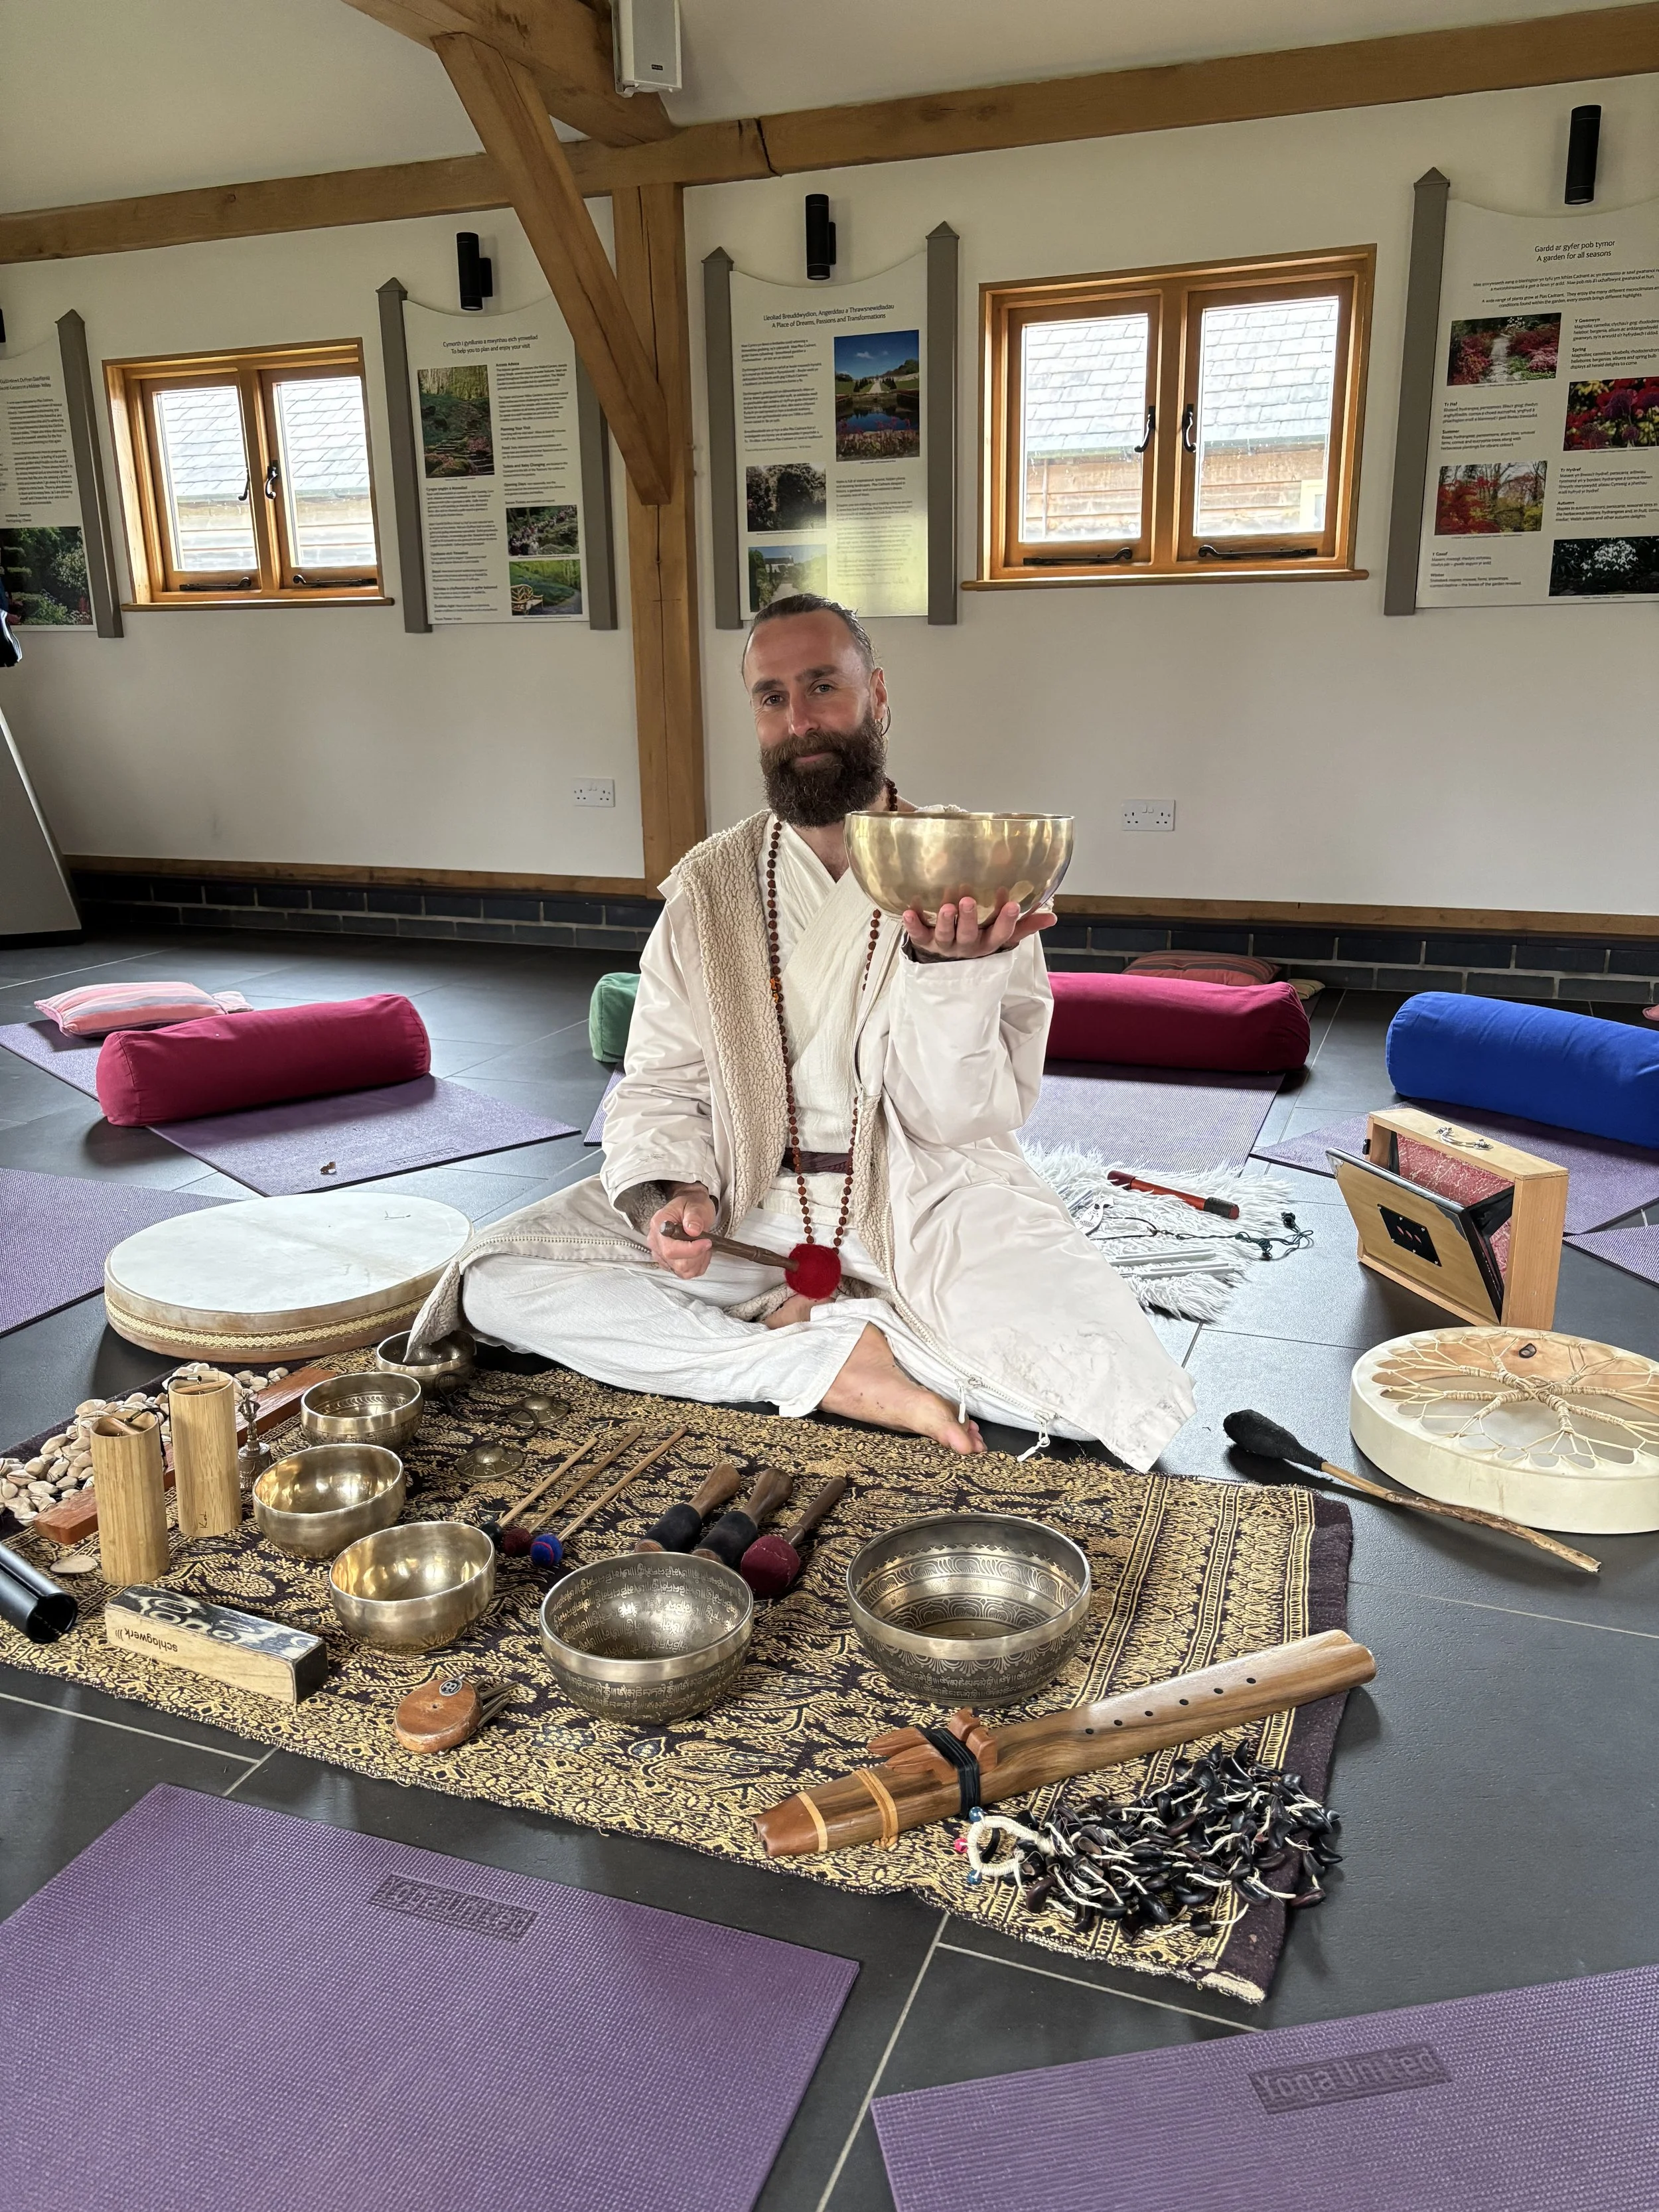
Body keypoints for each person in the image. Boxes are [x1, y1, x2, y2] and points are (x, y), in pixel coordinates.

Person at [410, 594, 1193, 1468]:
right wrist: (675, 1193)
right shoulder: (710, 888)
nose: (800, 720)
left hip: (924, 1201)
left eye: (824, 686)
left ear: (877, 695)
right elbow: (661, 1082)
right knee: (496, 1281)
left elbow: (957, 1118)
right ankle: (830, 1362)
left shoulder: (971, 869)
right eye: (772, 696)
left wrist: (952, 977)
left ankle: (813, 1330)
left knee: (1114, 1392)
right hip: (750, 1205)